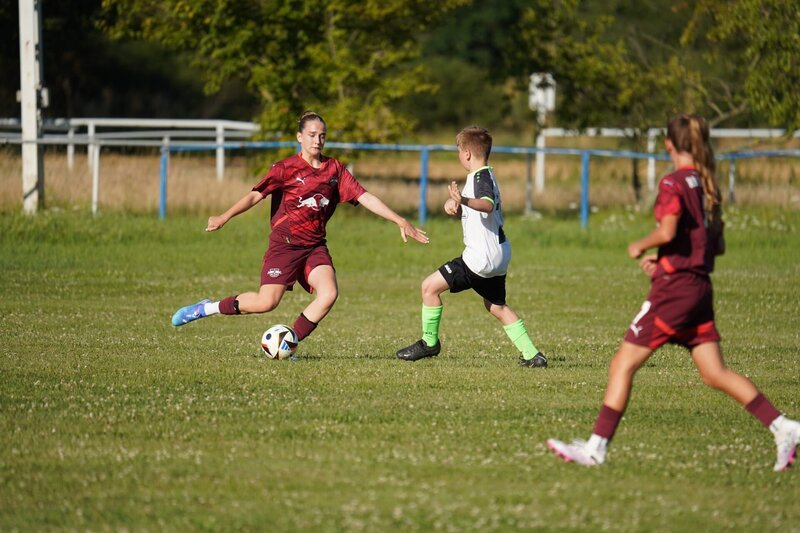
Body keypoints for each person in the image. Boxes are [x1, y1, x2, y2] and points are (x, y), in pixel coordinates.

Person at [547, 113, 799, 471]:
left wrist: (641, 245)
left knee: (622, 363)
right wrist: (665, 259)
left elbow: (667, 231)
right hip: (698, 287)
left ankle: (596, 448)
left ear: (668, 144)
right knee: (715, 374)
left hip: (676, 291)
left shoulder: (673, 184)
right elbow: (716, 245)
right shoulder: (708, 185)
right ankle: (783, 427)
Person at [172, 111, 429, 343]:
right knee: (266, 303)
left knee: (328, 294)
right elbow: (255, 195)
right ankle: (207, 308)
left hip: (315, 246)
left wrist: (400, 219)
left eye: (322, 136)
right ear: (299, 137)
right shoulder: (285, 168)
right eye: (312, 135)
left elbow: (364, 197)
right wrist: (224, 217)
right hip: (284, 246)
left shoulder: (334, 169)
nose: (317, 140)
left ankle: (288, 342)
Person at [395, 126, 547, 368]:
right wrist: (458, 209)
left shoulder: (480, 178)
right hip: (497, 254)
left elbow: (486, 205)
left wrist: (462, 200)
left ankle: (429, 343)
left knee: (429, 288)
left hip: (480, 258)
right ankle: (532, 354)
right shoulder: (486, 176)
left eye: (458, 151)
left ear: (466, 153)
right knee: (496, 306)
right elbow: (480, 213)